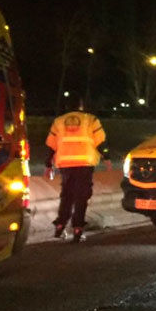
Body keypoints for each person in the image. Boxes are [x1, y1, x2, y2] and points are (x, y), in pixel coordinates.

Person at [46, 94, 107, 241]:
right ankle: (78, 228)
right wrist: (107, 157)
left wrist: (48, 164)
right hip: (84, 164)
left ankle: (60, 225)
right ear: (81, 106)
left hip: (65, 164)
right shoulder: (91, 119)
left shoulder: (58, 121)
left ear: (67, 107)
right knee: (81, 196)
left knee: (67, 195)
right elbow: (101, 142)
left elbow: (51, 145)